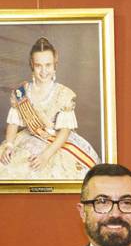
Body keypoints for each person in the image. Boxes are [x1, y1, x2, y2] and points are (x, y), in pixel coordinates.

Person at [0, 37, 99, 180]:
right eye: (38, 65)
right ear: (32, 65)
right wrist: (9, 145)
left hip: (57, 143)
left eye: (48, 65)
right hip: (27, 139)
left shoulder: (64, 94)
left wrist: (45, 156)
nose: (43, 71)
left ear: (55, 65)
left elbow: (65, 131)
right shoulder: (21, 92)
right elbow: (13, 123)